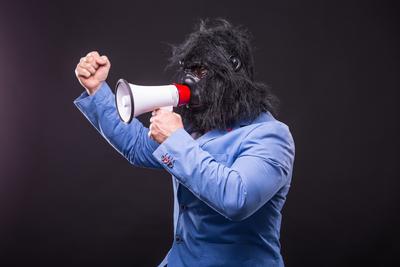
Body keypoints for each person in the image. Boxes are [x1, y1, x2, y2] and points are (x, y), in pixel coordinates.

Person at [74, 19, 295, 267]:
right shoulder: (196, 126)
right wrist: (97, 89)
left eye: (201, 72)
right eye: (188, 70)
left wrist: (176, 140)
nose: (191, 80)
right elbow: (137, 146)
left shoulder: (271, 135)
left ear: (232, 70)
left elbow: (238, 198)